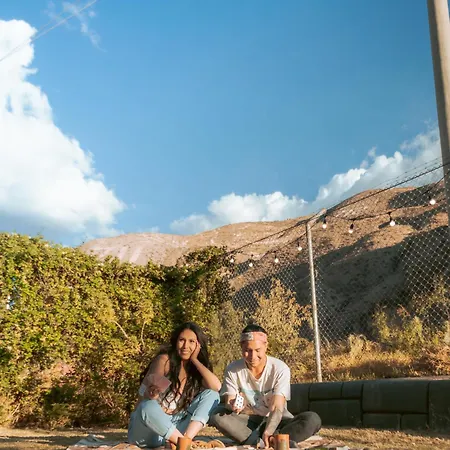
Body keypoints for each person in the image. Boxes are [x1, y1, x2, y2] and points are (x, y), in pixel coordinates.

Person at [210, 324, 321, 448]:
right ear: (241, 347)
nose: (252, 356)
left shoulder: (280, 368)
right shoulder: (232, 369)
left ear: (266, 346)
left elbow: (277, 407)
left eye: (257, 350)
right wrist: (233, 405)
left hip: (277, 421)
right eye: (247, 350)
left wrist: (269, 431)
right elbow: (229, 401)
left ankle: (268, 439)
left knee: (312, 419)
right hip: (247, 422)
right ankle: (275, 442)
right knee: (217, 416)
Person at [128, 322, 224, 449]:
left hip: (175, 429)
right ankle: (187, 445)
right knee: (147, 405)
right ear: (175, 342)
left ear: (198, 345)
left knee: (212, 395)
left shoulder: (195, 370)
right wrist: (153, 390)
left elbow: (216, 387)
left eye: (191, 342)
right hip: (148, 428)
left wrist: (195, 360)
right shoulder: (164, 361)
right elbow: (151, 388)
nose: (185, 346)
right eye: (182, 340)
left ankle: (185, 440)